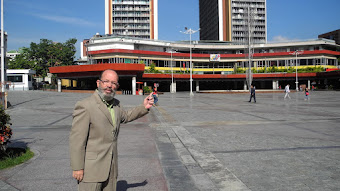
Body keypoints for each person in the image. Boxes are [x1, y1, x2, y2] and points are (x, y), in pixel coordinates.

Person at [69, 69, 154, 191]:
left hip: (111, 168)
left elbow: (126, 116)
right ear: (98, 83)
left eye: (114, 83)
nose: (109, 85)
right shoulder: (85, 106)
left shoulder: (116, 104)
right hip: (91, 170)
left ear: (117, 86)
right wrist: (77, 167)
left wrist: (144, 107)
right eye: (106, 81)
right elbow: (77, 140)